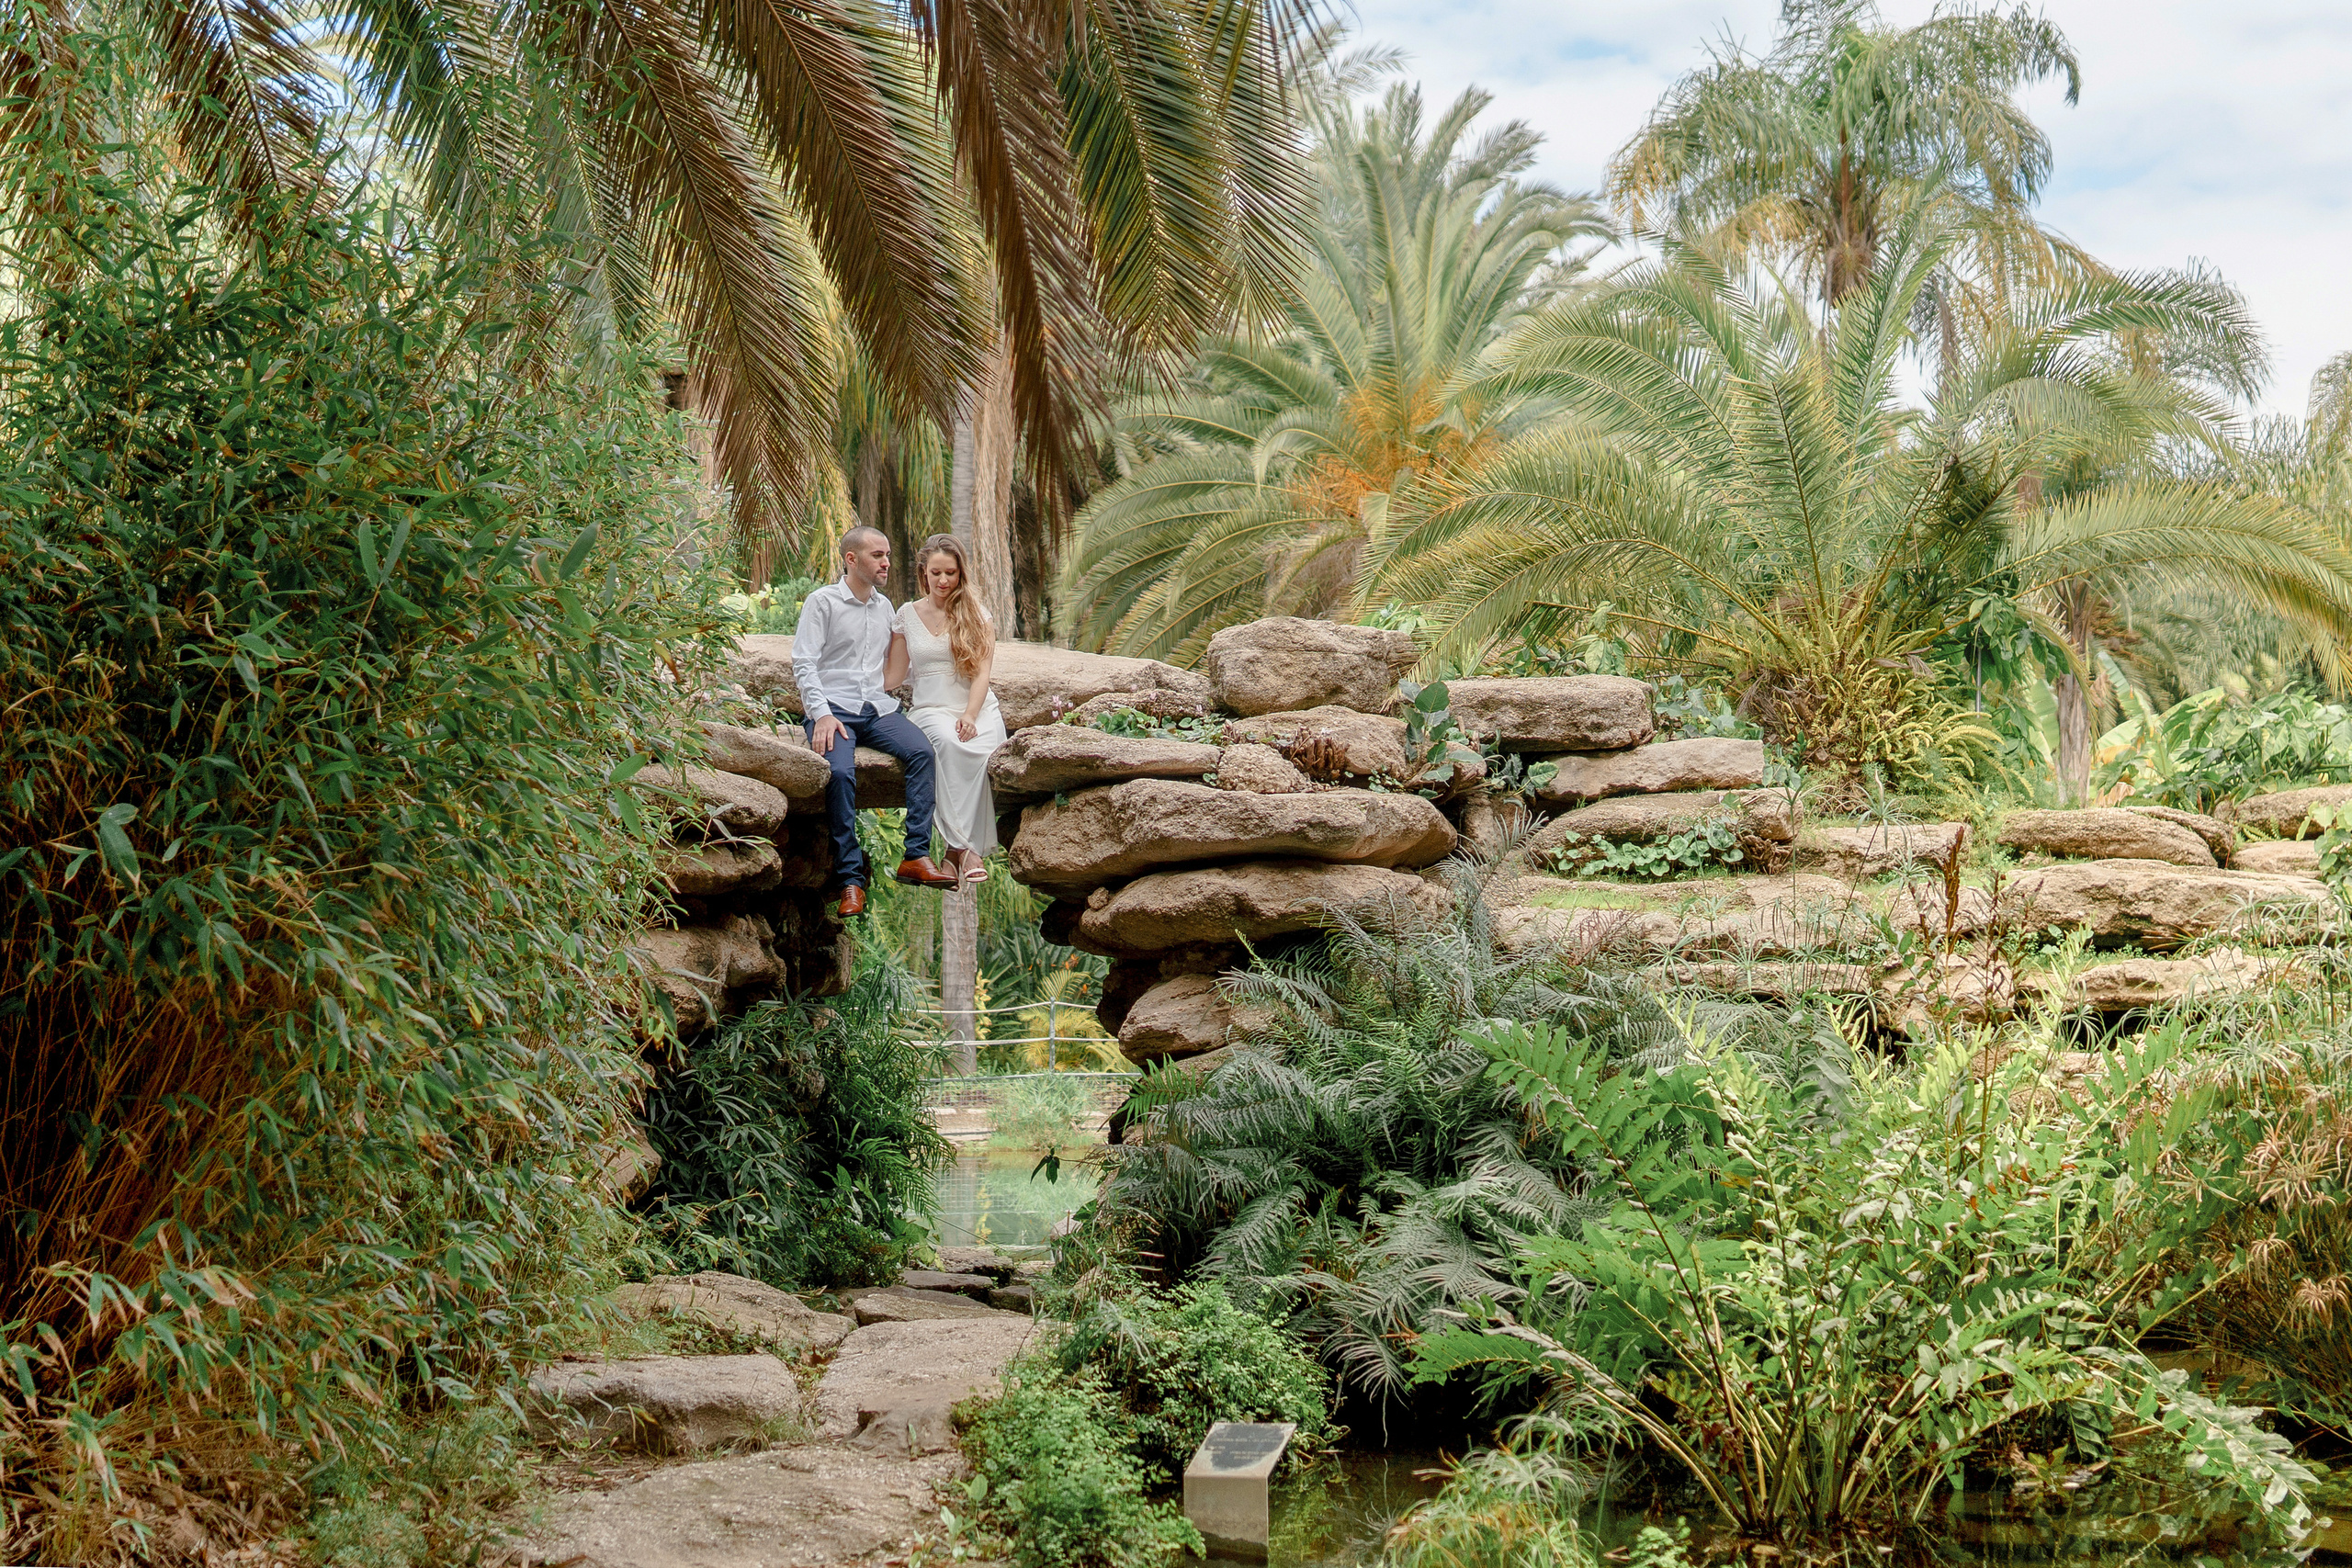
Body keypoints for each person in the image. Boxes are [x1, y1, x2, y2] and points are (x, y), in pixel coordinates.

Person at [792, 526, 959, 917]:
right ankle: (851, 880)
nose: (886, 562)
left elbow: (898, 668)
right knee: (840, 774)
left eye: (887, 554)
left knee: (921, 752)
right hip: (835, 712)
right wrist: (822, 715)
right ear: (851, 560)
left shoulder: (885, 608)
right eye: (877, 555)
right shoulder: (822, 603)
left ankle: (915, 857)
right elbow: (804, 664)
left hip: (877, 710)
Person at [888, 536, 1009, 884]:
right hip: (931, 708)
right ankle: (965, 849)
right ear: (923, 573)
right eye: (936, 573)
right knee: (945, 743)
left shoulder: (977, 614)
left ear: (961, 574)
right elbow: (894, 675)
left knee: (982, 749)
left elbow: (983, 672)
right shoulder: (906, 615)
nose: (943, 581)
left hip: (976, 707)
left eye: (951, 573)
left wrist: (970, 715)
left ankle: (955, 852)